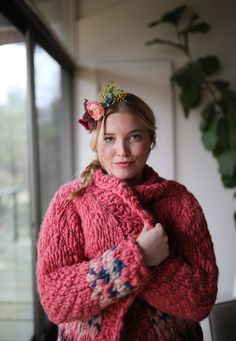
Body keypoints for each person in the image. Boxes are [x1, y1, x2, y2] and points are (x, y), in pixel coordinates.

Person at [37, 81, 218, 340]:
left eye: (134, 136)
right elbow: (55, 300)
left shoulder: (179, 201)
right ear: (97, 142)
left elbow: (200, 300)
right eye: (110, 139)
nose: (122, 151)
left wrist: (152, 263)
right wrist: (137, 258)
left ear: (150, 140)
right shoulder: (71, 200)